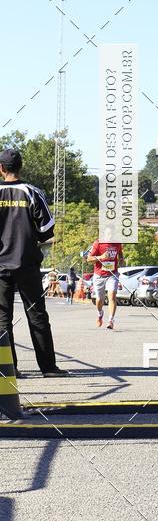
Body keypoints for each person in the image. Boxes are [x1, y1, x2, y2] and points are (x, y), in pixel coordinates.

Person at [0, 148, 68, 377]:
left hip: (0, 266)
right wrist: (33, 237)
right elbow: (47, 228)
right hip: (27, 264)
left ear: (1, 169)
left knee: (2, 318)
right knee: (37, 315)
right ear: (20, 167)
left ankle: (9, 369)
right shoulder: (32, 192)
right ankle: (48, 368)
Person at [86, 240, 123, 329]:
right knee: (99, 299)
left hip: (112, 274)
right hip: (99, 275)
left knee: (112, 296)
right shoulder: (97, 243)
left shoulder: (117, 243)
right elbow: (89, 259)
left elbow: (120, 253)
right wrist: (102, 257)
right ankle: (100, 313)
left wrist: (121, 259)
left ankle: (111, 320)